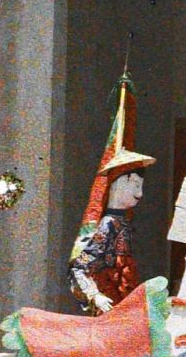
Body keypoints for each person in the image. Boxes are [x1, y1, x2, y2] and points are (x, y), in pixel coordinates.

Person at [68, 72, 158, 314]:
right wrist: (94, 295)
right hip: (109, 303)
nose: (139, 194)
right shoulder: (107, 225)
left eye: (141, 186)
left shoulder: (123, 224)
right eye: (133, 184)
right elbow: (79, 266)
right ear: (117, 184)